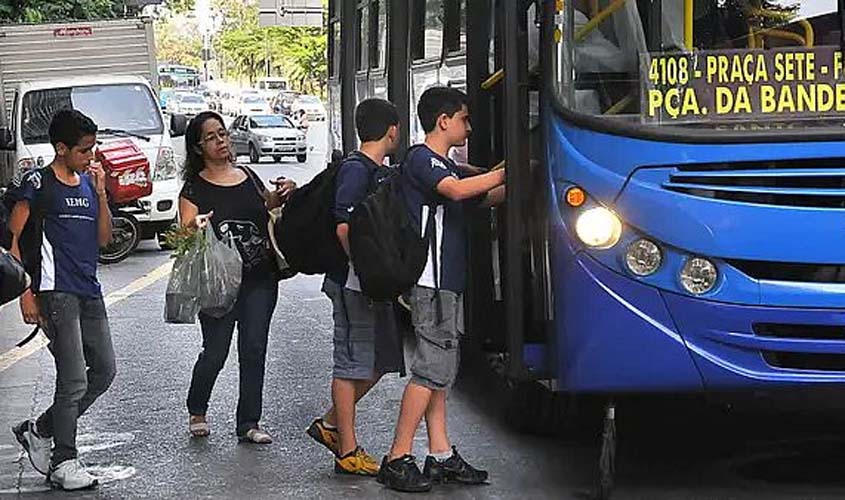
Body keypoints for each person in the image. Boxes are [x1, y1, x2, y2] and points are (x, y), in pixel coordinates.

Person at [378, 87, 506, 493]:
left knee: (441, 372)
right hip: (429, 282)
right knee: (431, 370)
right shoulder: (423, 159)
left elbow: (478, 196)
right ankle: (397, 457)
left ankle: (440, 453)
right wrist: (505, 171)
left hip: (443, 282)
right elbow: (456, 191)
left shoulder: (445, 165)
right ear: (443, 121)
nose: (468, 126)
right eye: (465, 119)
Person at [9, 109, 115, 491]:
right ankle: (63, 461)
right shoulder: (38, 184)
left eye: (93, 148)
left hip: (90, 289)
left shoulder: (88, 184)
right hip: (56, 292)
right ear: (61, 148)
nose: (92, 157)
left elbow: (104, 240)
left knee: (103, 371)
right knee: (72, 379)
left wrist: (101, 194)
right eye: (85, 150)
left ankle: (41, 429)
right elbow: (13, 240)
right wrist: (25, 293)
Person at [178, 111, 296, 443]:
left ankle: (249, 422)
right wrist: (196, 225)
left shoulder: (247, 174)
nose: (221, 141)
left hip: (260, 277)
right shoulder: (194, 187)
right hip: (218, 283)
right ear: (199, 147)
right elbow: (184, 226)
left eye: (223, 134)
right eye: (212, 137)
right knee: (215, 351)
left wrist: (283, 193)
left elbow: (265, 207)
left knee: (254, 347)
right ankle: (197, 409)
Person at [306, 98, 405, 476]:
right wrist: (365, 271)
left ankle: (331, 425)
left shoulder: (377, 169)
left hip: (364, 283)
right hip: (351, 283)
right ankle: (348, 450)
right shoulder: (356, 170)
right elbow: (344, 226)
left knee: (380, 360)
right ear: (392, 130)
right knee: (350, 364)